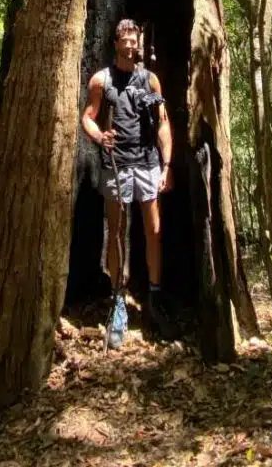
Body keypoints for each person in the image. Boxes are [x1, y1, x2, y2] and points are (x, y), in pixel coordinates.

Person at [81, 18, 174, 348]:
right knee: (117, 232)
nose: (131, 45)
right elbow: (88, 117)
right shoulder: (101, 80)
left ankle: (155, 299)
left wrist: (167, 165)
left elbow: (162, 123)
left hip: (147, 163)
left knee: (154, 231)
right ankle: (118, 301)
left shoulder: (149, 80)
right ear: (116, 43)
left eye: (135, 40)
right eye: (126, 40)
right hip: (116, 165)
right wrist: (99, 137)